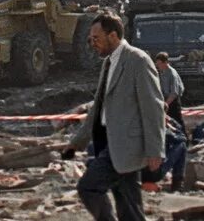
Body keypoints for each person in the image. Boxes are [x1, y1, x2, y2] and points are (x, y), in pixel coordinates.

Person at [65, 13, 165, 221]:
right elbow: (98, 106)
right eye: (90, 40)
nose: (92, 44)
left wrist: (155, 149)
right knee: (129, 207)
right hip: (112, 143)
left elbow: (153, 107)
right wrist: (77, 142)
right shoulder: (109, 62)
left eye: (96, 38)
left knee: (89, 187)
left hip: (128, 145)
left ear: (112, 35)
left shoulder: (137, 60)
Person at [154, 54, 184, 129]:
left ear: (165, 62)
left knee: (177, 122)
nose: (158, 65)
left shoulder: (172, 73)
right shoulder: (161, 72)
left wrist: (166, 104)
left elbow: (174, 92)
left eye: (159, 63)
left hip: (173, 102)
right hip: (165, 101)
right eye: (157, 63)